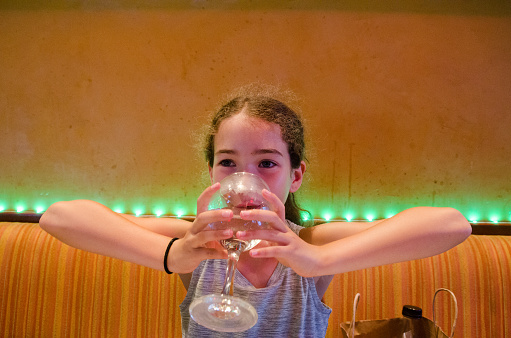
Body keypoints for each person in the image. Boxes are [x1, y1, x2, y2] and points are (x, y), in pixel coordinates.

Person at [40, 87, 472, 337]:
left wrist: (316, 260)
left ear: (295, 175)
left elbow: (452, 225)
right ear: (211, 171)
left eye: (267, 163)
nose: (243, 181)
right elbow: (59, 217)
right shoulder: (194, 241)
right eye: (227, 162)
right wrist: (174, 254)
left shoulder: (309, 243)